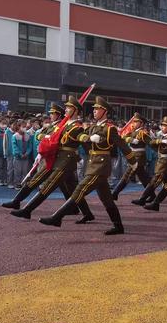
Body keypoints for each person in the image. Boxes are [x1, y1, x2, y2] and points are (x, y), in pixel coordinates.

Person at [39, 96, 136, 235]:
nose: (94, 111)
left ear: (105, 111)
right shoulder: (92, 127)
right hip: (93, 164)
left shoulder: (110, 129)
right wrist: (88, 138)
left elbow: (123, 145)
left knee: (79, 190)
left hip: (101, 166)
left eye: (98, 109)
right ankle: (118, 226)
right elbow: (80, 136)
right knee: (107, 199)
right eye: (94, 109)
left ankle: (57, 217)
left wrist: (133, 162)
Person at [10, 97, 94, 222]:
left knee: (48, 186)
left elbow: (82, 138)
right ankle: (87, 214)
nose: (65, 109)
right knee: (73, 190)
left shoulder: (77, 127)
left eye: (69, 108)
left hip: (66, 162)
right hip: (58, 159)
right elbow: (52, 137)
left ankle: (27, 210)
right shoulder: (64, 124)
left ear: (75, 111)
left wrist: (86, 138)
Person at [1, 104, 65, 209]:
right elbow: (38, 135)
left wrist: (46, 137)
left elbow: (52, 138)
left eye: (53, 113)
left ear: (58, 115)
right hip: (50, 158)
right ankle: (17, 202)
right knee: (68, 187)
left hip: (55, 159)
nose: (51, 116)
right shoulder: (53, 126)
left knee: (41, 181)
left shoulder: (60, 126)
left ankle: (21, 205)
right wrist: (46, 137)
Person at [131, 116, 167, 208]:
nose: (162, 127)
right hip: (161, 161)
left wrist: (166, 142)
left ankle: (143, 199)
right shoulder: (161, 137)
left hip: (165, 162)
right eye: (162, 125)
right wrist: (159, 141)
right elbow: (152, 143)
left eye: (165, 126)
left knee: (154, 182)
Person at [111, 112, 151, 200]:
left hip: (139, 156)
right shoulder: (133, 131)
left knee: (127, 175)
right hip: (134, 155)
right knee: (144, 178)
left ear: (141, 123)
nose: (133, 123)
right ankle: (152, 195)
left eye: (136, 122)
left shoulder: (143, 132)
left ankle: (115, 193)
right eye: (134, 121)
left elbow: (150, 142)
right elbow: (124, 137)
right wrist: (132, 140)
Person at [12, 120, 32, 189]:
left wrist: (27, 153)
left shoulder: (28, 136)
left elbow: (30, 146)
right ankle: (17, 184)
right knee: (17, 171)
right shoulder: (15, 136)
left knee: (25, 172)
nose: (25, 128)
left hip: (26, 157)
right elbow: (15, 147)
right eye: (23, 127)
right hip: (18, 158)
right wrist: (20, 154)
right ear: (19, 127)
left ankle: (23, 184)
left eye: (25, 127)